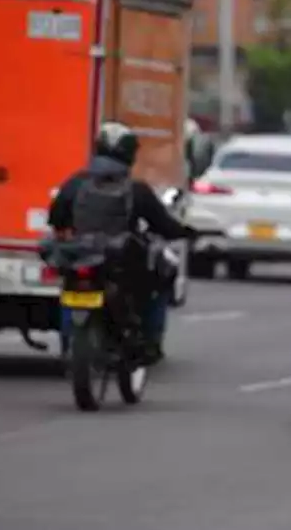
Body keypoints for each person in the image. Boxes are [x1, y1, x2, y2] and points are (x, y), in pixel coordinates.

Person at [47, 121, 197, 361]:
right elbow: (164, 225)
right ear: (129, 154)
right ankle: (149, 340)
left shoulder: (75, 183)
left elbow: (55, 218)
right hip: (120, 263)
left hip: (80, 257)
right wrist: (186, 232)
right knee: (162, 275)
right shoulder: (137, 190)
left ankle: (72, 342)